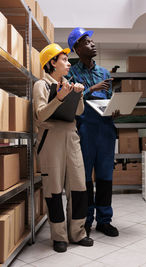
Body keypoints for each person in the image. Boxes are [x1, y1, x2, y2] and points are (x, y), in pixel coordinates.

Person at [33, 43, 94, 253]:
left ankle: (77, 233)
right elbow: (40, 114)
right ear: (52, 63)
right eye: (64, 60)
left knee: (78, 187)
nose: (69, 64)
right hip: (50, 139)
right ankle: (59, 236)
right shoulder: (41, 85)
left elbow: (79, 111)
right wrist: (58, 98)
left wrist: (78, 94)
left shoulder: (69, 83)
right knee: (54, 190)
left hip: (71, 137)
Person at [66, 27, 119, 237]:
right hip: (84, 130)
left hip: (105, 129)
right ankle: (86, 220)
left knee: (105, 178)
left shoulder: (104, 73)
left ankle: (104, 220)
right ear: (77, 48)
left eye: (92, 41)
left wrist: (115, 110)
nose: (92, 44)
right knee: (85, 178)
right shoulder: (71, 73)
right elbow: (70, 100)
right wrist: (91, 89)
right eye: (86, 42)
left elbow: (108, 100)